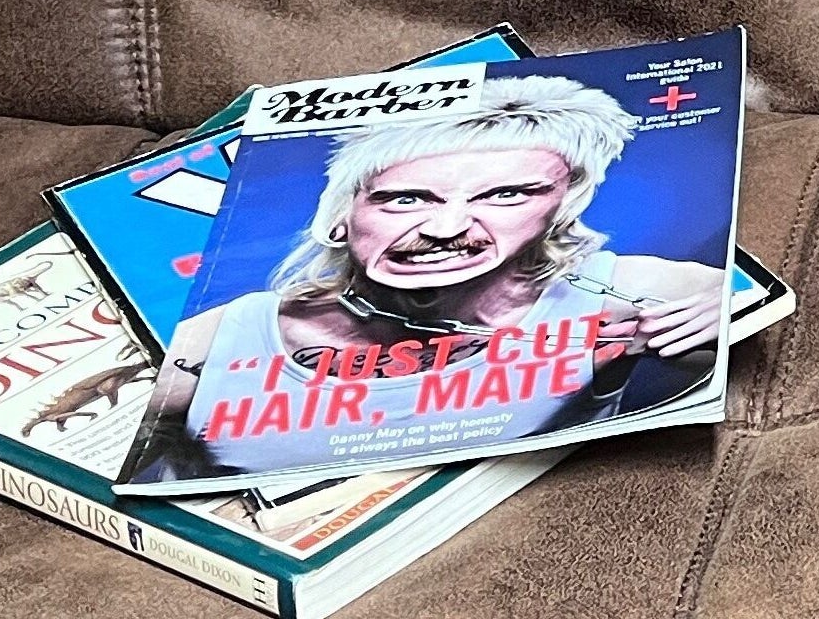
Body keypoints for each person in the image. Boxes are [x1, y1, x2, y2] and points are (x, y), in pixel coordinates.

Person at [133, 76, 726, 483]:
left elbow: (745, 316)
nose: (446, 228)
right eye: (405, 198)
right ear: (341, 215)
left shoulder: (626, 293)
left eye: (506, 194)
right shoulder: (216, 341)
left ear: (558, 208)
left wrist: (724, 309)